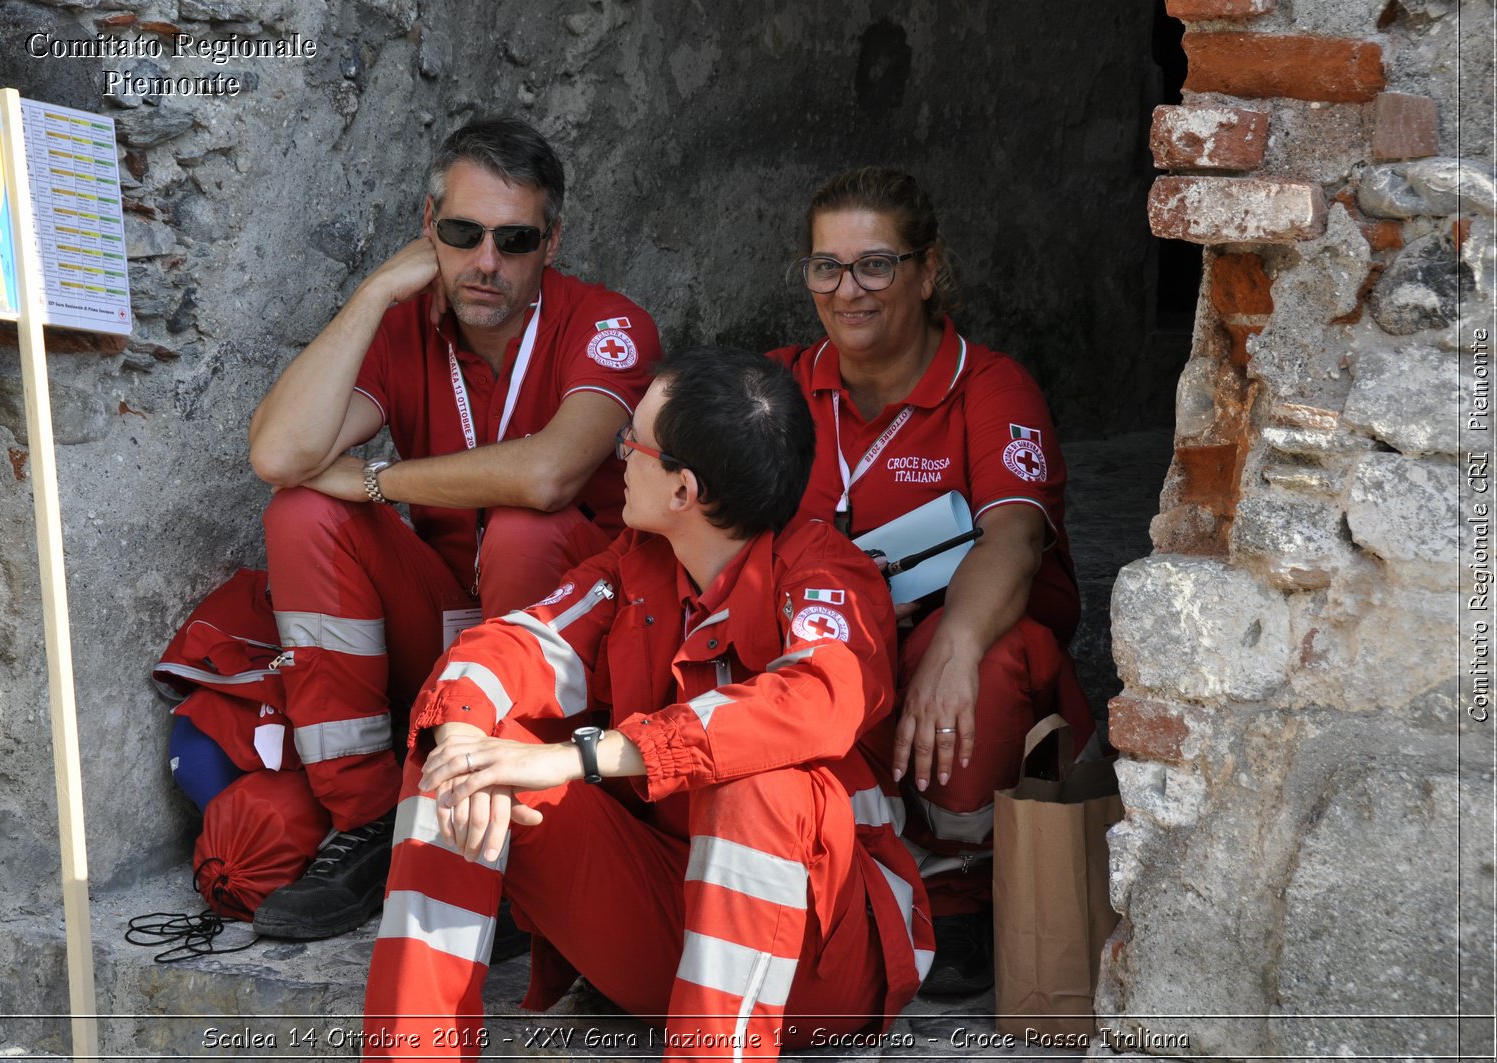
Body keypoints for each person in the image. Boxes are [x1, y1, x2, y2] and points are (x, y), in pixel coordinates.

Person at [361, 347, 933, 1060]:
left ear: (683, 490)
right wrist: (460, 737)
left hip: (817, 971)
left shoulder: (827, 576)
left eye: (632, 444)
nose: (618, 456)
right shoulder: (639, 559)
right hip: (670, 932)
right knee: (462, 754)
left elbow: (813, 697)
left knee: (755, 780)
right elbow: (515, 646)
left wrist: (582, 757)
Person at [243, 115, 660, 938]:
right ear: (428, 225)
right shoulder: (404, 323)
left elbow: (550, 474)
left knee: (522, 530)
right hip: (443, 618)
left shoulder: (608, 323)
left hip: (577, 635)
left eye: (515, 239)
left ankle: (513, 811)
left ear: (552, 241)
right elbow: (280, 453)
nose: (486, 262)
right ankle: (366, 821)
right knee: (301, 510)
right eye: (463, 233)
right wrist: (375, 294)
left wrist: (377, 479)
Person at [771, 166, 1096, 989]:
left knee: (987, 659)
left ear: (927, 271)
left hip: (942, 653)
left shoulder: (988, 386)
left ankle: (960, 892)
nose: (849, 290)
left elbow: (1015, 538)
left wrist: (954, 639)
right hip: (831, 650)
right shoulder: (776, 386)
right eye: (827, 266)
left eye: (876, 264)